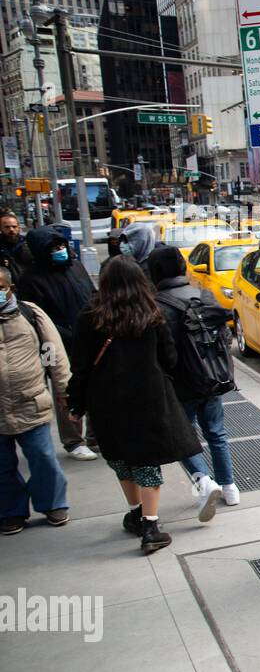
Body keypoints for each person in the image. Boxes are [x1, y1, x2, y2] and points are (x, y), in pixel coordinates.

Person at [67, 256, 202, 554]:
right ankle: (151, 526)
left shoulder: (89, 317)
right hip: (149, 399)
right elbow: (170, 359)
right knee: (147, 463)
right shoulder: (151, 313)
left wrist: (75, 403)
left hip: (107, 402)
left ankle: (135, 513)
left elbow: (80, 367)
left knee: (121, 460)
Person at [147, 246, 240, 520]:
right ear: (182, 267)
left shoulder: (157, 306)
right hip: (212, 378)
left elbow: (161, 353)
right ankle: (230, 487)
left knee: (181, 437)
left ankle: (203, 481)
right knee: (217, 432)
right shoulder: (204, 295)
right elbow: (223, 337)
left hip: (180, 384)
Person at [0, 266, 71, 535]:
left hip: (31, 401)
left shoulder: (30, 314)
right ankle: (11, 511)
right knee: (2, 466)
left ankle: (53, 504)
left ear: (10, 289)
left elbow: (52, 352)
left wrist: (63, 389)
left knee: (42, 457)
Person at [18, 226, 98, 462]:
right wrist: (65, 334)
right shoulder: (31, 280)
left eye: (61, 246)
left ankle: (95, 435)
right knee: (66, 389)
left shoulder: (76, 267)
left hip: (88, 339)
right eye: (53, 248)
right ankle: (74, 440)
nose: (60, 251)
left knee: (95, 385)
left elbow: (92, 295)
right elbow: (35, 317)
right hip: (57, 345)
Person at [0, 212, 34, 285]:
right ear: (1, 228)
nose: (11, 229)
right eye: (7, 227)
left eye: (14, 226)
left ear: (18, 227)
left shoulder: (29, 244)